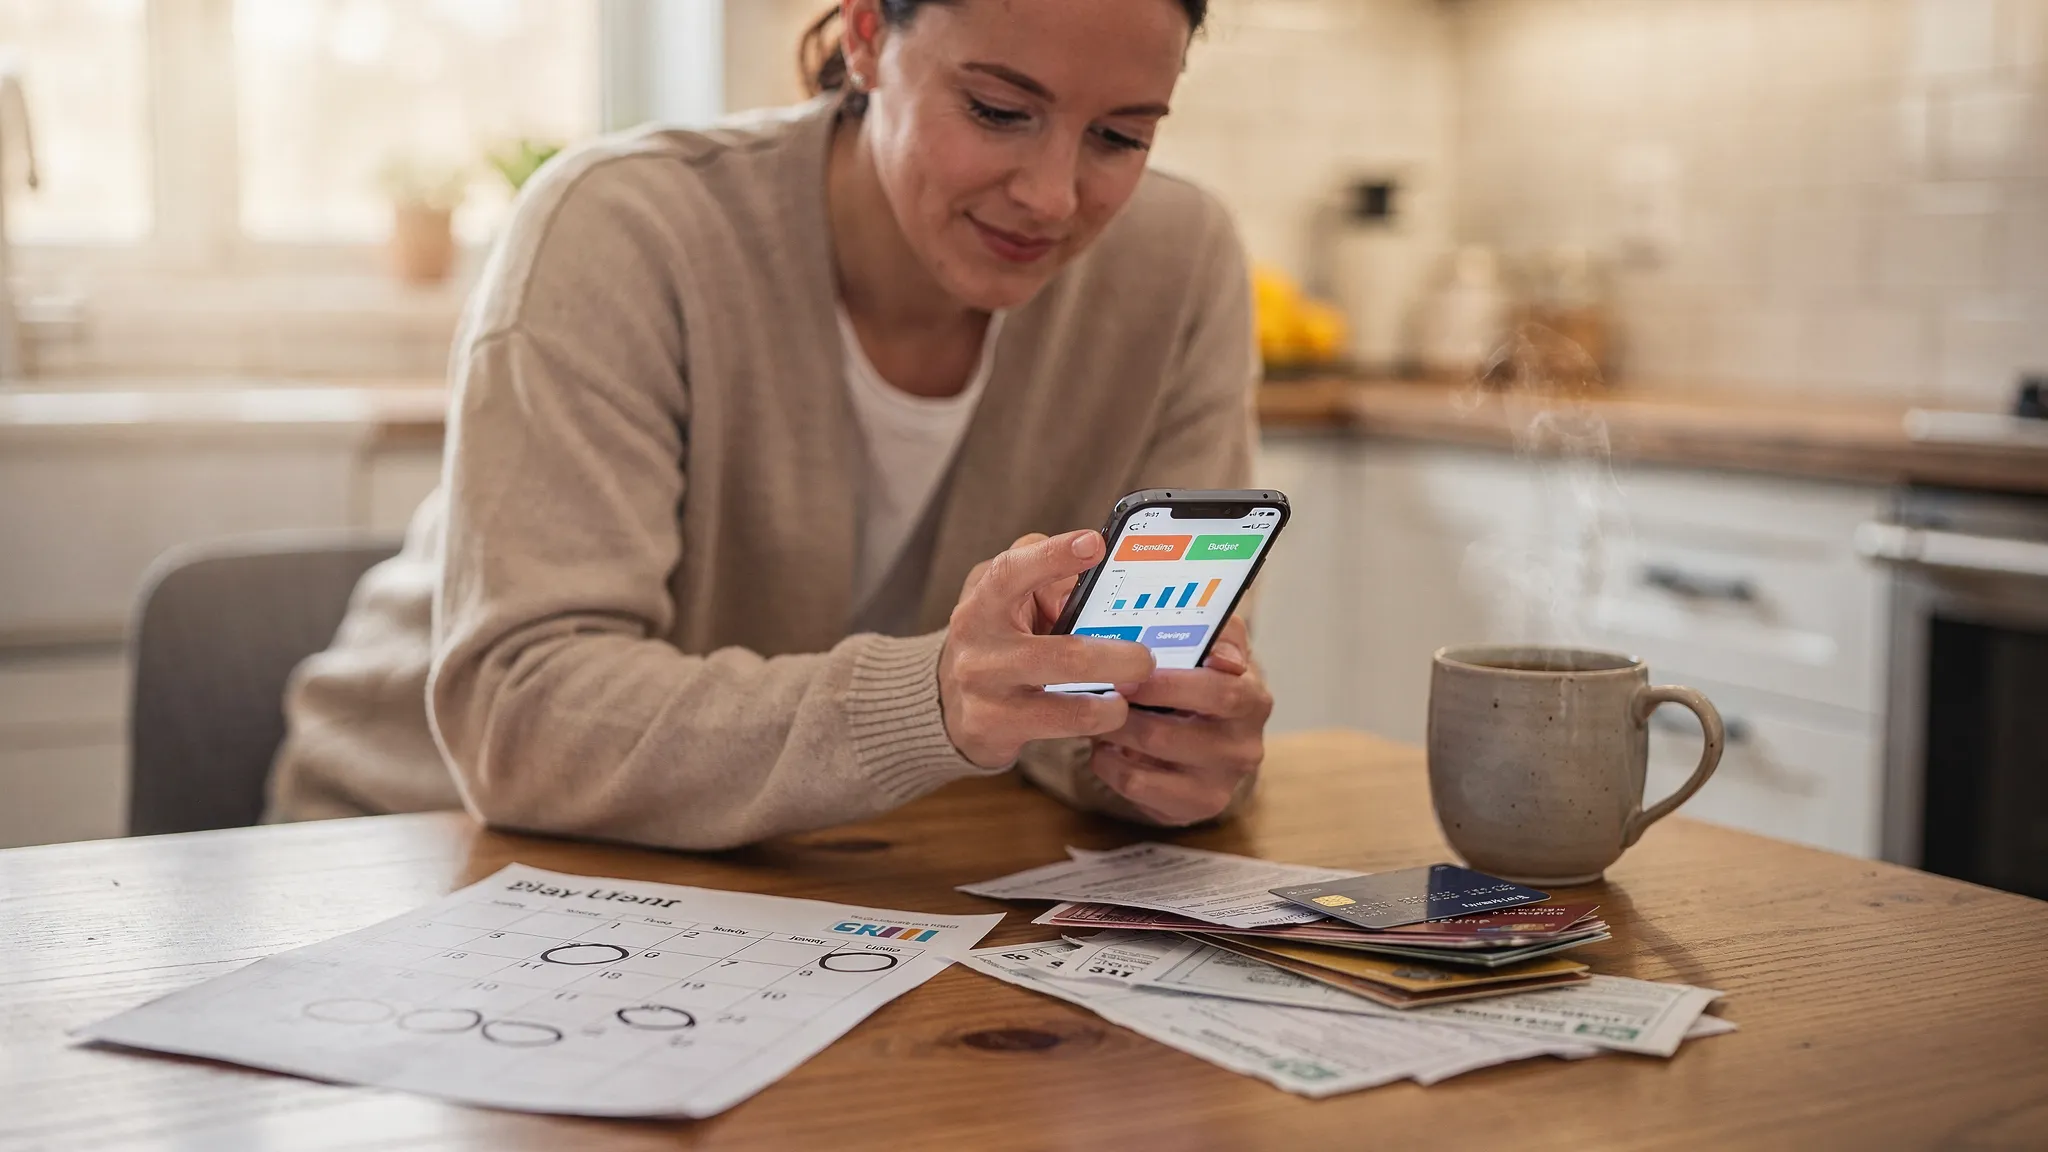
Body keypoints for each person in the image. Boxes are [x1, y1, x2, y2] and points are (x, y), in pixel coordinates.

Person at [265, 0, 1273, 850]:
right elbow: (525, 716)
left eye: (1121, 136)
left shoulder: (1178, 267)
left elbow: (1112, 706)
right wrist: (933, 699)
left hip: (827, 886)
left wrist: (1154, 755)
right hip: (415, 845)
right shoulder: (622, 228)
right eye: (998, 109)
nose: (1052, 197)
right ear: (869, 34)